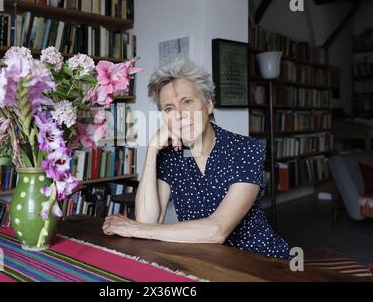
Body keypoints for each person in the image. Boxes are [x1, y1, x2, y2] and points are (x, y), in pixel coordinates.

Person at [102, 58, 290, 260]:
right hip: (204, 262)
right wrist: (152, 150)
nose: (180, 115)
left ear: (208, 104)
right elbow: (147, 219)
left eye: (187, 102)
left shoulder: (245, 149)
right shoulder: (170, 156)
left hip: (259, 261)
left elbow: (217, 230)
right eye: (169, 109)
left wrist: (135, 229)